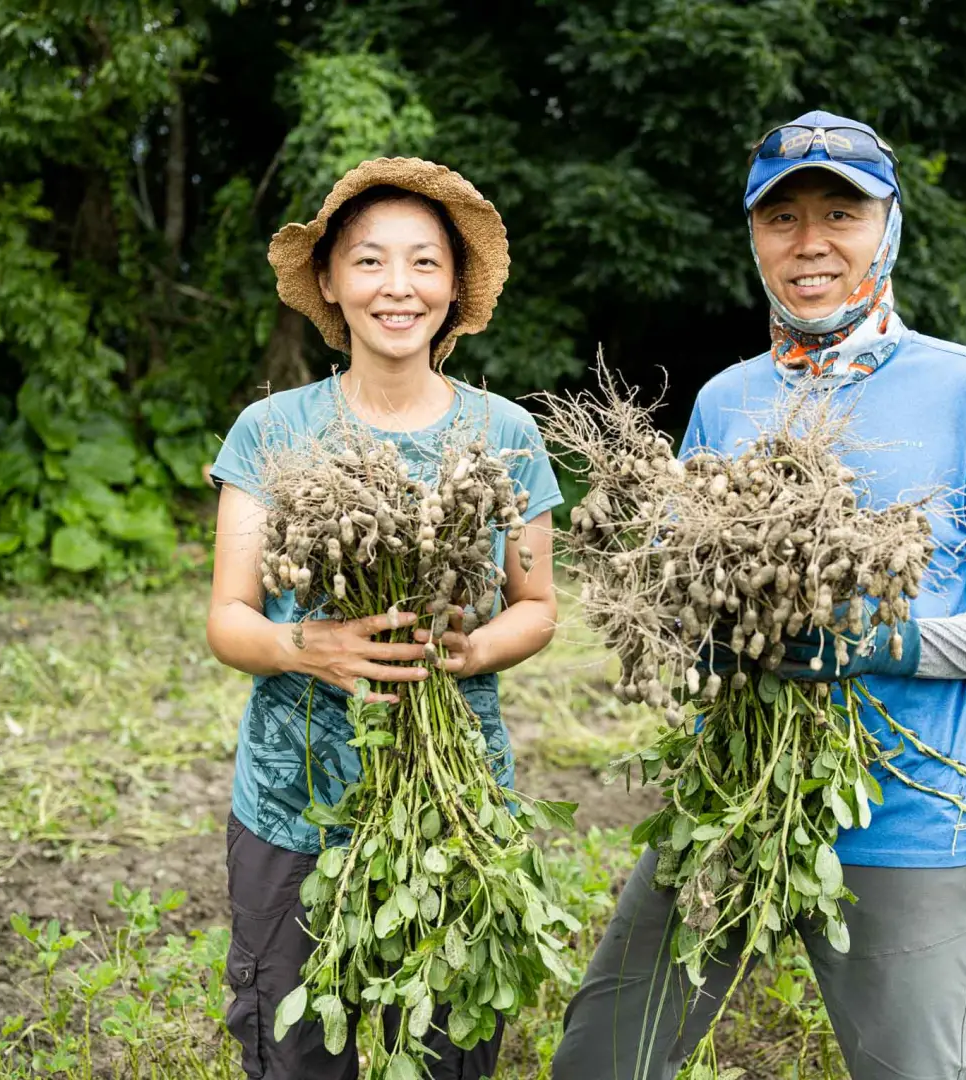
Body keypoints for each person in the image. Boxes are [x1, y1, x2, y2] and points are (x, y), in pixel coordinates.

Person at [552, 110, 966, 1080]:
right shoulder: (725, 400)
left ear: (890, 227)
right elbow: (678, 591)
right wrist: (687, 628)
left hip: (909, 818)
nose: (811, 242)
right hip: (732, 794)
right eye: (781, 218)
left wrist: (892, 642)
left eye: (841, 211)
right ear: (754, 239)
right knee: (600, 1061)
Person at [206, 158, 562, 1080]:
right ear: (328, 282)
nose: (397, 287)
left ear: (454, 286)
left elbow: (537, 609)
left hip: (454, 801)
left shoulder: (504, 436)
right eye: (368, 262)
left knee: (447, 1050)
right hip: (295, 803)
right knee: (295, 1052)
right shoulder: (271, 431)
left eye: (423, 263)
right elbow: (229, 619)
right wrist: (306, 646)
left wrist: (470, 647)